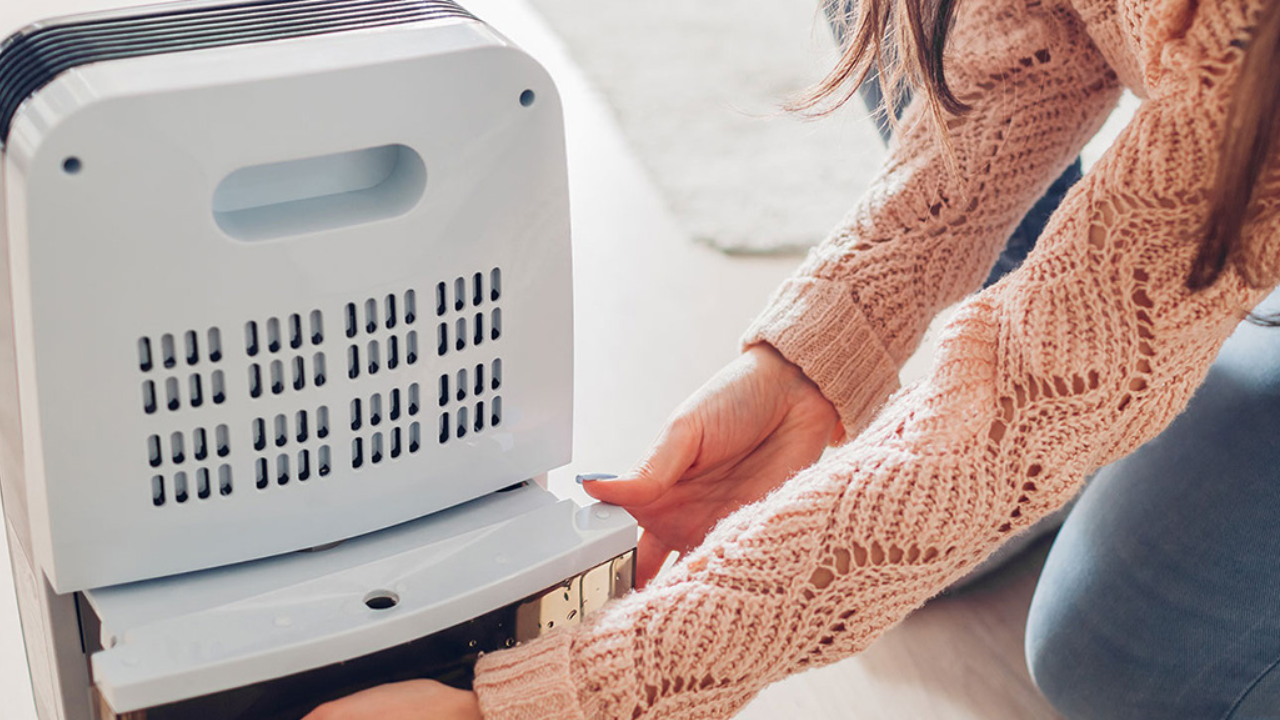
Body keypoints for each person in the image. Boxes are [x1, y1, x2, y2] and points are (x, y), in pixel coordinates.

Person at [306, 0, 1280, 717]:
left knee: (1123, 656)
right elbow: (1040, 48)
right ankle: (1146, 350)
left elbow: (1023, 406)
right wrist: (813, 362)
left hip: (1251, 126)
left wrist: (559, 701)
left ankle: (1176, 338)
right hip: (1218, 158)